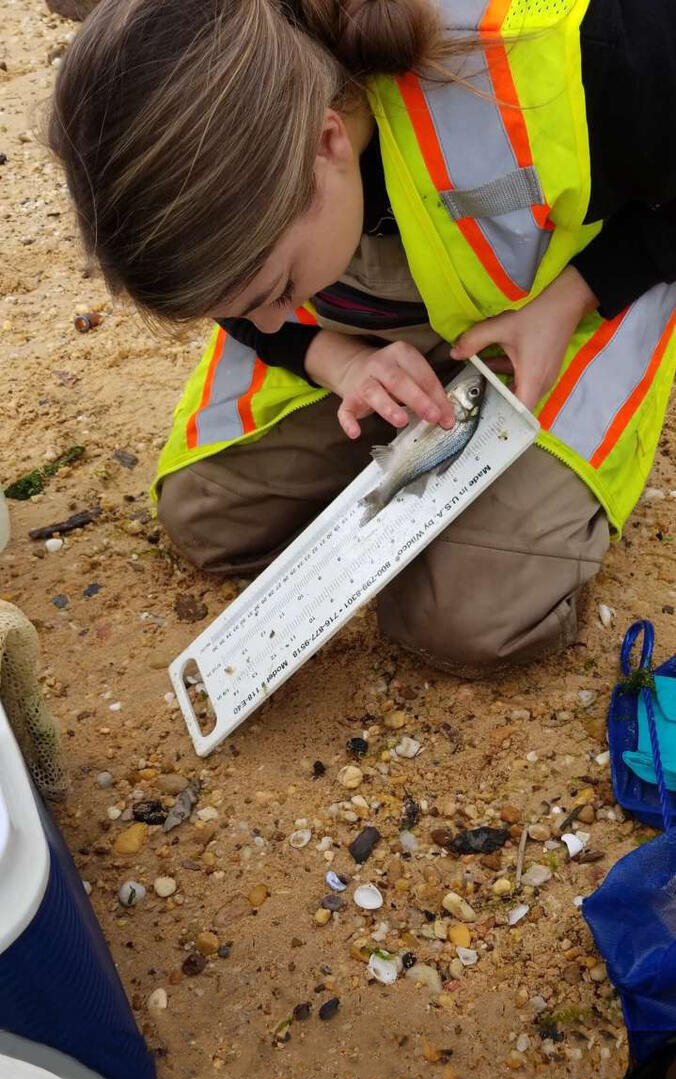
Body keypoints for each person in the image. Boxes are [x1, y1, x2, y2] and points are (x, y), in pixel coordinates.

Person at [49, 0, 676, 673]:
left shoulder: (583, 46)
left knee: (463, 621)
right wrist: (330, 358)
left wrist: (579, 293)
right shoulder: (203, 82)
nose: (266, 324)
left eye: (276, 290)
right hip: (365, 327)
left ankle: (502, 506)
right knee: (204, 515)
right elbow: (245, 303)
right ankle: (429, 449)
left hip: (554, 313)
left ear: (328, 142)